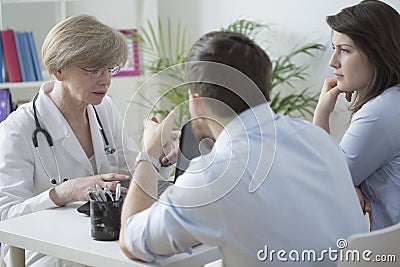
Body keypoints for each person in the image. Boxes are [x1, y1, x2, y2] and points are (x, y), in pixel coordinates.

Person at [119, 31, 368, 267]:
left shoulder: (216, 176)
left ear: (195, 101)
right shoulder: (317, 137)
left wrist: (148, 153)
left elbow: (132, 240)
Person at [0, 15, 176, 266]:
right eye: (94, 70)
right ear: (58, 69)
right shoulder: (17, 129)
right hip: (48, 251)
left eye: (110, 69)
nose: (106, 80)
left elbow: (131, 178)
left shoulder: (104, 109)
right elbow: (5, 216)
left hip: (103, 240)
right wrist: (63, 192)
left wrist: (158, 155)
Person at [313, 0, 400, 231]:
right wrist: (348, 184)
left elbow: (320, 185)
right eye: (334, 48)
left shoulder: (380, 113)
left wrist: (321, 113)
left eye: (345, 50)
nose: (333, 62)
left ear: (378, 54)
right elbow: (337, 178)